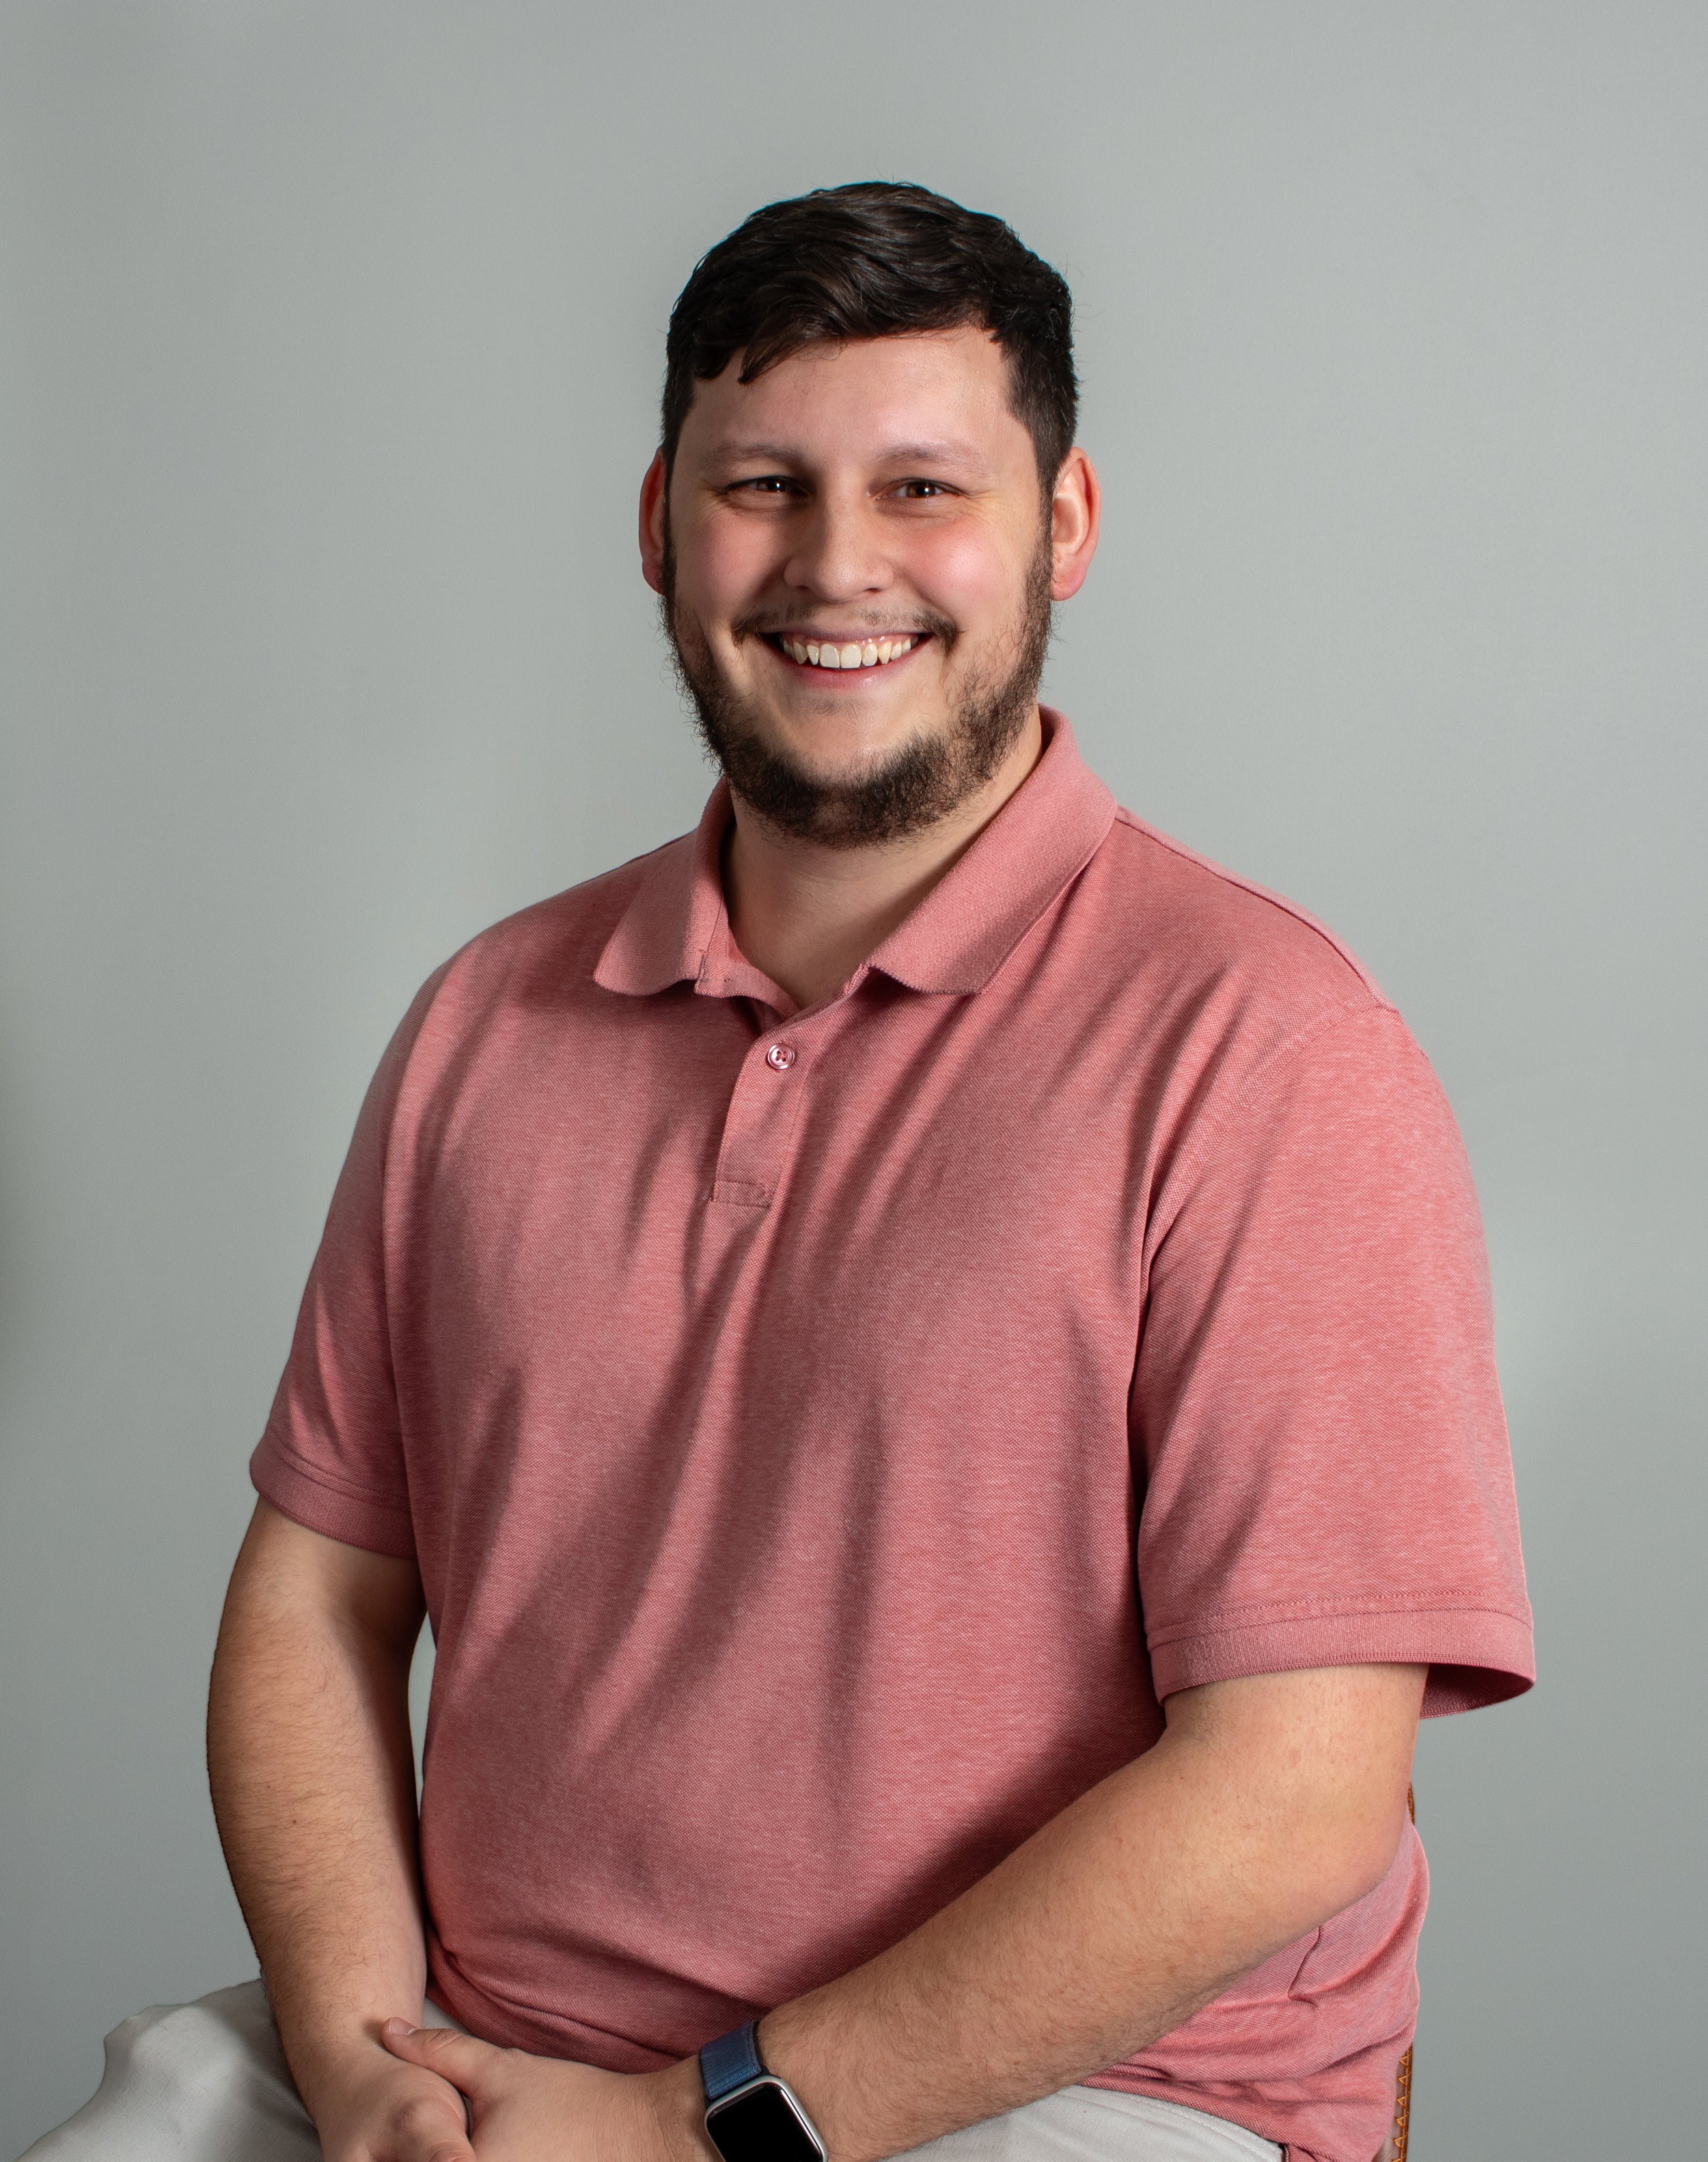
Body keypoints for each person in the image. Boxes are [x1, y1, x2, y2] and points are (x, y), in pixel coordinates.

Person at [23, 182, 1532, 2162]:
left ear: (1060, 526)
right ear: (659, 523)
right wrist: (367, 2054)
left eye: (923, 487)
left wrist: (684, 2125)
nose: (839, 565)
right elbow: (314, 1594)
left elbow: (1292, 1790)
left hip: (1057, 2094)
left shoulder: (1265, 1053)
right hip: (495, 2061)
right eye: (766, 484)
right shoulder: (488, 1020)